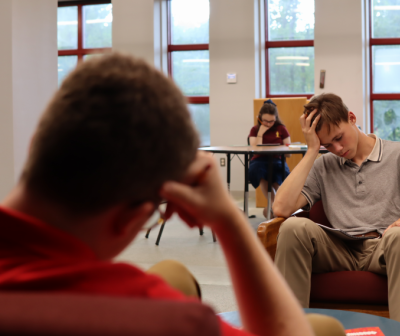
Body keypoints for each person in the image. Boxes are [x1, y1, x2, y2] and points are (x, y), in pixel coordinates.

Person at [0, 53, 344, 336]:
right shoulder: (162, 318)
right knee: (323, 329)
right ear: (131, 219)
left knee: (170, 272)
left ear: (34, 147)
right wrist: (228, 220)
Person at [272, 93, 400, 336]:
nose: (337, 149)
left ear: (351, 118)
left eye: (339, 138)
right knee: (291, 228)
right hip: (340, 247)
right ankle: (290, 331)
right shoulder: (323, 165)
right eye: (328, 145)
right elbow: (281, 209)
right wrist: (312, 151)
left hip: (385, 245)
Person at [248, 100, 291, 218]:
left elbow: (289, 154)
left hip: (277, 160)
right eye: (265, 121)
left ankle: (273, 207)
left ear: (276, 118)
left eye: (272, 121)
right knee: (260, 171)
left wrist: (284, 148)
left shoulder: (282, 129)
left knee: (279, 172)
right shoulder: (254, 129)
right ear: (260, 118)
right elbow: (255, 149)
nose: (268, 124)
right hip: (259, 160)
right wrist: (260, 133)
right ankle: (273, 206)